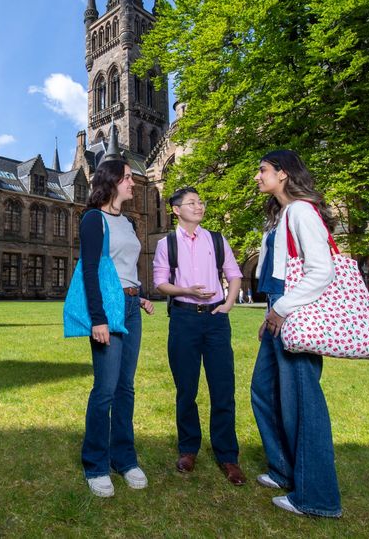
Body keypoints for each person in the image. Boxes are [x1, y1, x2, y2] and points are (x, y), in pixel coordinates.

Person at [251, 149, 342, 518]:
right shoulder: (282, 214)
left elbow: (322, 271)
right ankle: (285, 469)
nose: (258, 177)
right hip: (280, 310)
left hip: (295, 313)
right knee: (265, 392)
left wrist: (283, 309)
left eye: (263, 170)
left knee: (302, 404)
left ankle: (317, 497)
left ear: (283, 174)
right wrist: (270, 311)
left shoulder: (302, 210)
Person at [152, 187, 247, 485]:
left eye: (201, 201)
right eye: (192, 202)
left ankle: (228, 456)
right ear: (176, 210)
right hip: (183, 319)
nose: (199, 206)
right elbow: (160, 283)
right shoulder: (166, 244)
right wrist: (187, 291)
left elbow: (234, 274)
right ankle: (188, 448)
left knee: (223, 388)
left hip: (216, 320)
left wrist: (228, 304)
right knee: (186, 388)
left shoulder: (216, 239)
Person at [80, 157, 155, 498]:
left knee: (126, 388)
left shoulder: (127, 222)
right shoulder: (94, 219)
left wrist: (137, 298)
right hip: (107, 311)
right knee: (106, 389)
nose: (133, 182)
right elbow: (91, 272)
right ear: (111, 181)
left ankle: (124, 458)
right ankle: (96, 463)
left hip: (130, 305)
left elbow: (123, 269)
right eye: (127, 177)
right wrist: (98, 318)